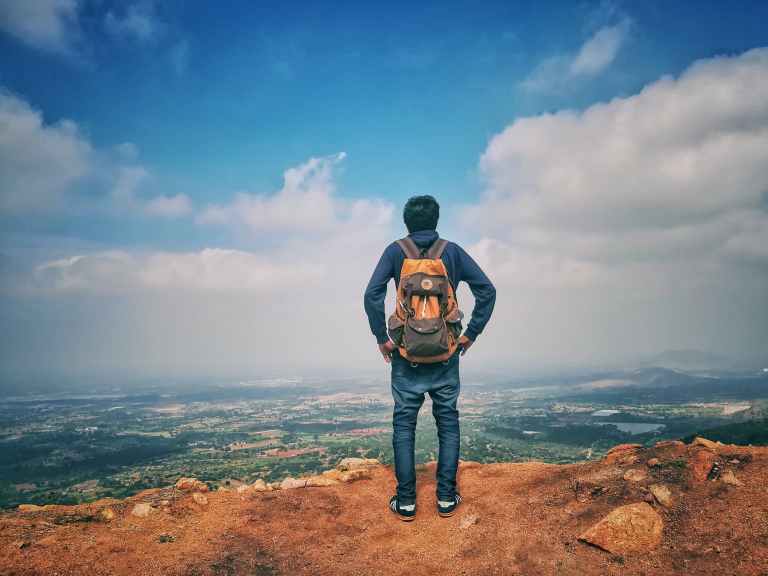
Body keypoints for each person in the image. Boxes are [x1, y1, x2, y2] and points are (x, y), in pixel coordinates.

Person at [364, 195, 496, 521]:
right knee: (448, 423)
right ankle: (446, 499)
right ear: (437, 220)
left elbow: (372, 294)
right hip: (446, 354)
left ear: (406, 221)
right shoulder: (451, 252)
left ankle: (406, 502)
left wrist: (382, 338)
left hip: (406, 356)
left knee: (404, 425)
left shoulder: (396, 251)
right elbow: (487, 291)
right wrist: (470, 335)